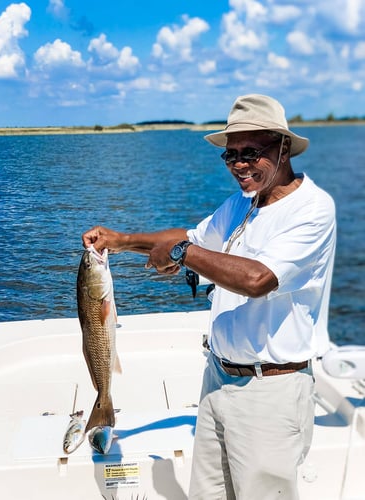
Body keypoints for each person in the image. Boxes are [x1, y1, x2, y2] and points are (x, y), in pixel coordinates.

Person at [82, 94, 336, 500]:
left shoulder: (312, 209)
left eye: (251, 152)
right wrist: (122, 240)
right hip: (218, 377)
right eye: (230, 155)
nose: (239, 164)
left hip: (270, 390)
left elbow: (258, 279)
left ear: (284, 147)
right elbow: (192, 238)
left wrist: (184, 254)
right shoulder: (242, 204)